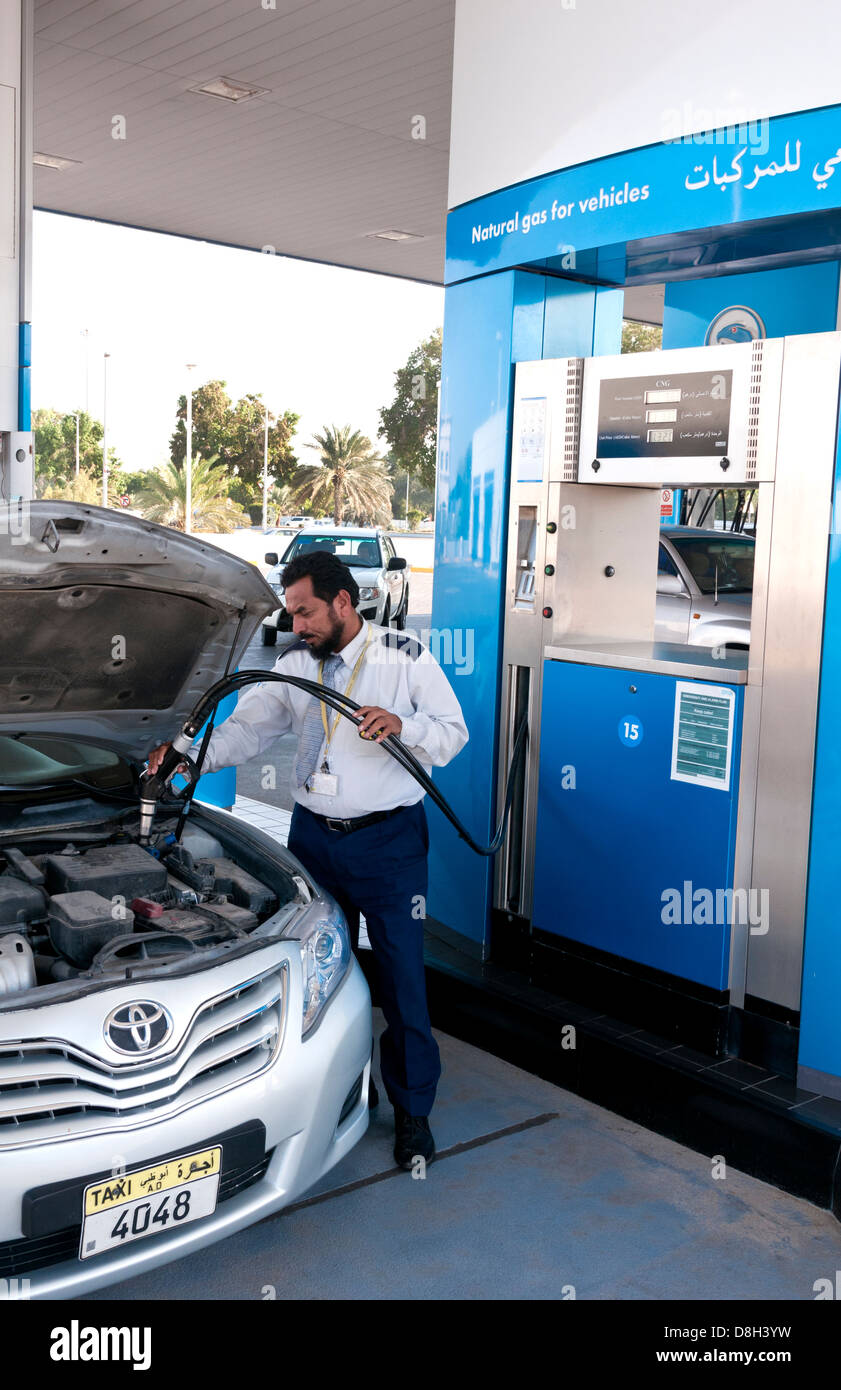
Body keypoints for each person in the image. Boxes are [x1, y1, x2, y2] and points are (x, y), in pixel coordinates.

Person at [147, 550, 468, 1169]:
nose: (297, 625)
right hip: (314, 839)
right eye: (292, 613)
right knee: (319, 972)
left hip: (389, 840)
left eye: (306, 611)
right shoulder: (295, 665)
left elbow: (452, 732)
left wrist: (405, 725)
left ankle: (412, 1112)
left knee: (402, 979)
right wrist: (191, 759)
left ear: (344, 602)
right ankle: (340, 1092)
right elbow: (247, 731)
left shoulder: (404, 658)